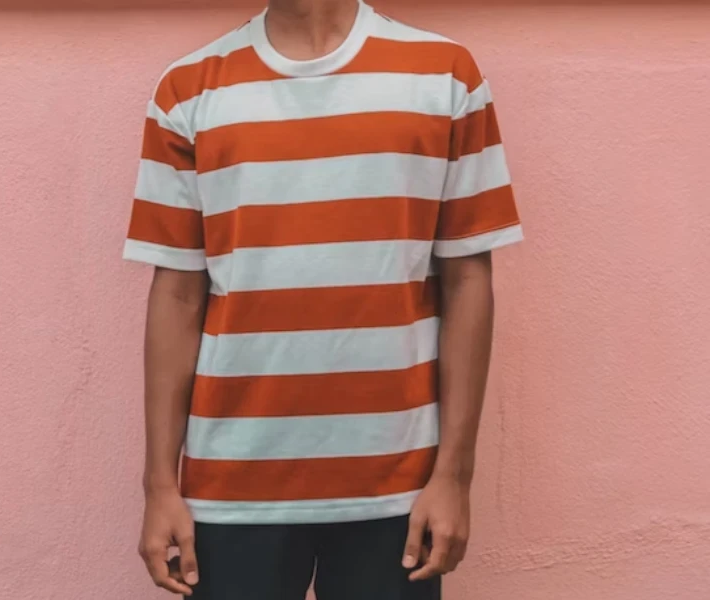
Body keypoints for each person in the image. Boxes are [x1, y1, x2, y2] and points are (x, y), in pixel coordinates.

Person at [123, 0, 522, 597]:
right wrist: (159, 486)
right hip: (230, 488)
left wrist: (454, 477)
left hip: (399, 488)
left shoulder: (444, 76)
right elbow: (178, 294)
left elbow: (468, 279)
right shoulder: (189, 89)